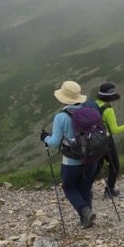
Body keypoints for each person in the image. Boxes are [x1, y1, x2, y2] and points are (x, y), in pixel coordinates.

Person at [40, 80, 97, 229]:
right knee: (85, 187)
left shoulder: (61, 117)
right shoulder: (90, 110)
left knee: (69, 187)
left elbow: (55, 142)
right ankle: (85, 220)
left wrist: (44, 137)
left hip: (72, 161)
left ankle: (85, 211)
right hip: (92, 158)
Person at [93, 82, 124, 196]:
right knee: (114, 165)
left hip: (93, 140)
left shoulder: (94, 105)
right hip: (106, 141)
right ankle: (109, 190)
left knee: (98, 165)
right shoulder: (108, 110)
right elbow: (114, 130)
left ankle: (85, 187)